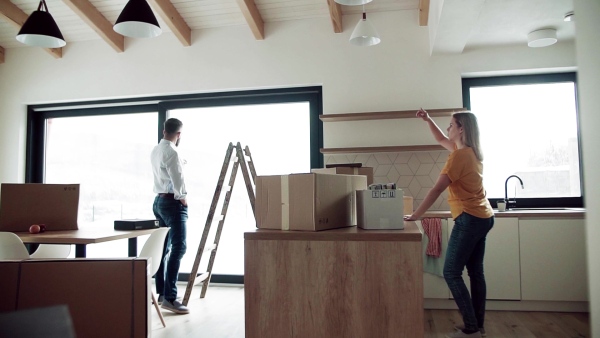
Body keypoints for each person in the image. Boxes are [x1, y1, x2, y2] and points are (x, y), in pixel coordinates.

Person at [404, 109, 494, 338]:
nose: (448, 129)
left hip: (469, 217)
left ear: (461, 129)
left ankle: (471, 328)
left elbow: (436, 189)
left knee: (451, 272)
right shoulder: (469, 152)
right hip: (484, 217)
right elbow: (440, 139)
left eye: (451, 125)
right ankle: (478, 325)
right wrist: (427, 120)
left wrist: (416, 215)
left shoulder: (458, 156)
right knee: (475, 272)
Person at [151, 117, 190, 314]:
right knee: (179, 247)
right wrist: (183, 198)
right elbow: (177, 178)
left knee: (163, 248)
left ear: (164, 130)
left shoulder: (156, 150)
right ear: (179, 134)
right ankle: (170, 297)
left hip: (158, 202)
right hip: (172, 203)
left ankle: (161, 293)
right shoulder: (172, 152)